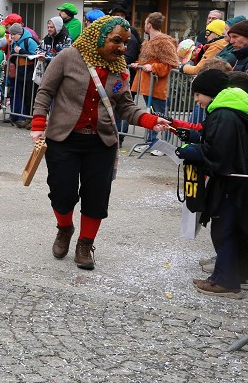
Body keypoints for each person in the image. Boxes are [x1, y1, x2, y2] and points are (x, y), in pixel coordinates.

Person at [30, 16, 167, 270]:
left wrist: (149, 120)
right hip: (64, 138)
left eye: (126, 43)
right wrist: (38, 124)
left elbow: (125, 106)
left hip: (101, 141)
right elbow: (45, 92)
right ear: (98, 36)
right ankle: (64, 229)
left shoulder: (120, 67)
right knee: (62, 192)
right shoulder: (68, 57)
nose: (122, 48)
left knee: (96, 197)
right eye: (117, 40)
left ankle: (85, 243)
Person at [176, 70, 248, 298]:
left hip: (231, 181)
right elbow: (224, 141)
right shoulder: (233, 108)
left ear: (210, 92)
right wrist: (196, 138)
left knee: (224, 230)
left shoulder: (222, 114)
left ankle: (226, 282)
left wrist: (193, 151)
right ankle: (239, 275)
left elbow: (219, 153)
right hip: (243, 179)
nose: (197, 100)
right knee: (236, 229)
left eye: (198, 94)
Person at [129, 12, 179, 153]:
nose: (145, 26)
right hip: (147, 85)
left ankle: (165, 146)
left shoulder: (163, 42)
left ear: (149, 25)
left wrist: (154, 67)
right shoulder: (148, 41)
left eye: (145, 23)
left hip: (157, 85)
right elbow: (147, 61)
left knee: (162, 115)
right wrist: (138, 64)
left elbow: (171, 63)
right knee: (152, 115)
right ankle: (151, 142)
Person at [6, 23, 40, 127]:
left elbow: (35, 55)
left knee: (30, 95)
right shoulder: (15, 42)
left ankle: (32, 119)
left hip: (30, 70)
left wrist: (21, 51)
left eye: (13, 35)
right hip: (20, 70)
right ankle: (26, 118)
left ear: (19, 34)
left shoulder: (29, 41)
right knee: (24, 95)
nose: (11, 37)